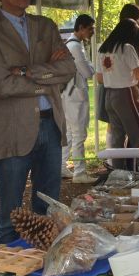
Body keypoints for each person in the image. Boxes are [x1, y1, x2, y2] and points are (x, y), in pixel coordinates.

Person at [0, 0, 75, 244]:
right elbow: (0, 83)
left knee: (50, 212)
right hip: (12, 132)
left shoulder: (46, 26)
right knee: (12, 216)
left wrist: (27, 71)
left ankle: (45, 273)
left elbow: (68, 69)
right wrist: (46, 78)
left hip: (50, 127)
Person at [98, 19, 139, 170]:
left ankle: (119, 173)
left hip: (109, 96)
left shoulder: (102, 49)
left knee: (117, 139)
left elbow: (99, 78)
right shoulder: (127, 48)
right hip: (127, 94)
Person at [62, 14, 97, 184]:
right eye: (90, 28)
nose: (92, 32)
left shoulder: (73, 44)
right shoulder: (75, 46)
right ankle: (79, 172)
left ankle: (61, 166)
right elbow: (87, 71)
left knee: (70, 133)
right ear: (81, 28)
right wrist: (91, 68)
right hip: (74, 94)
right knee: (78, 134)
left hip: (70, 94)